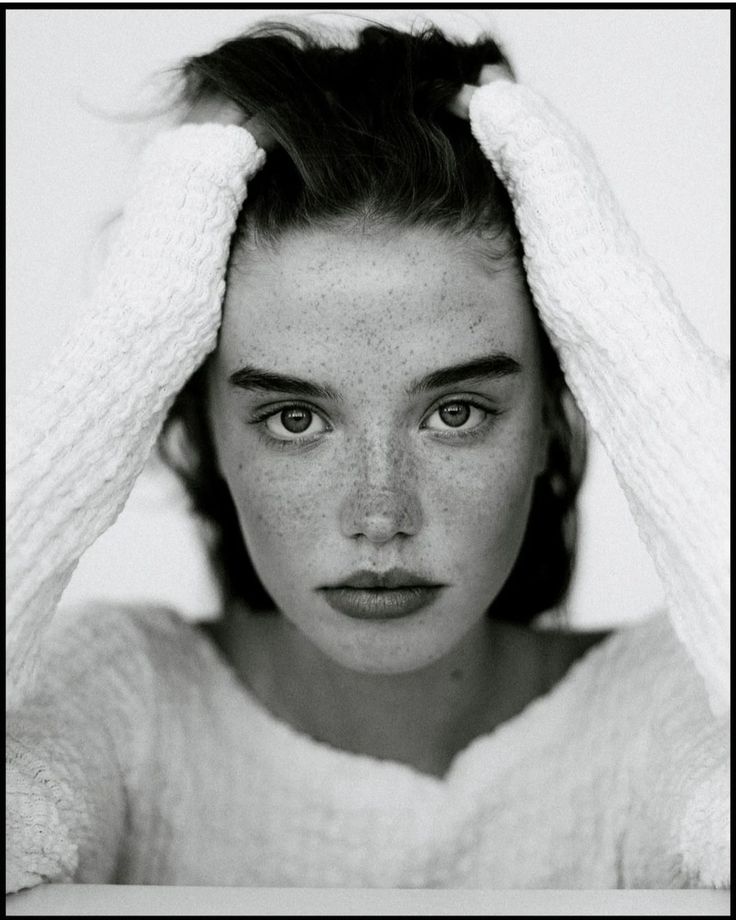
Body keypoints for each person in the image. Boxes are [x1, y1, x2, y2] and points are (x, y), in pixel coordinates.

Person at [6, 20, 729, 891]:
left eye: (456, 412)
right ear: (197, 429)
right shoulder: (120, 705)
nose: (380, 514)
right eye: (295, 419)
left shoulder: (667, 709)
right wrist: (128, 340)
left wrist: (615, 308)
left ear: (551, 418)